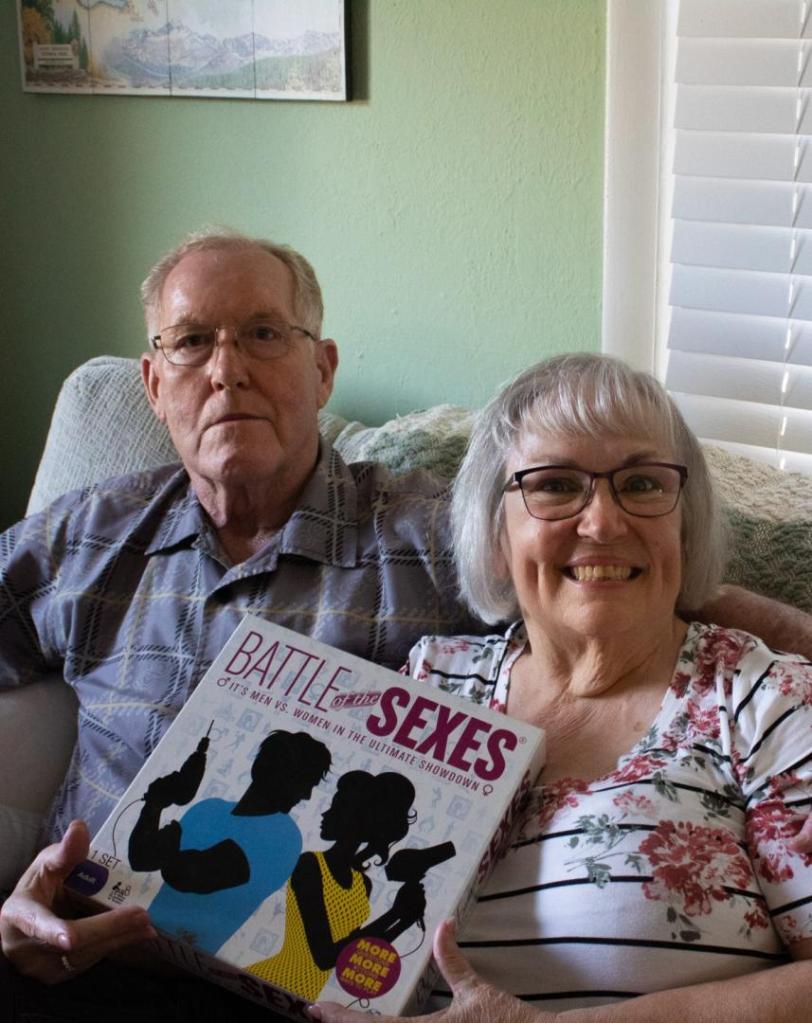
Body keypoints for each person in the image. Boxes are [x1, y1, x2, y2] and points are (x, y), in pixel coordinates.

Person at [0, 232, 810, 1020]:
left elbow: (607, 580)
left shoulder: (423, 537)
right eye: (190, 342)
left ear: (322, 370)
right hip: (74, 960)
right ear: (151, 381)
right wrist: (27, 901)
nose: (226, 370)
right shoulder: (89, 536)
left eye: (262, 333)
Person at [311, 353, 812, 1023]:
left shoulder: (763, 701)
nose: (602, 522)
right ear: (495, 534)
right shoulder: (435, 680)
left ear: (684, 527)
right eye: (553, 485)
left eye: (640, 483)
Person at [128, 730, 332, 955]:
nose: (307, 796)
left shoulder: (283, 837)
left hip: (190, 957)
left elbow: (190, 875)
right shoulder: (209, 809)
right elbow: (140, 858)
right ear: (270, 772)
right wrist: (154, 805)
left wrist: (168, 838)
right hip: (139, 933)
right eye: (305, 783)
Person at [246, 770, 426, 1001]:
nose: (324, 813)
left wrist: (406, 919)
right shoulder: (310, 865)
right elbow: (325, 957)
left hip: (304, 997)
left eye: (336, 807)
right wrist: (394, 914)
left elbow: (354, 953)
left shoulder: (363, 884)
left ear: (357, 818)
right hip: (272, 983)